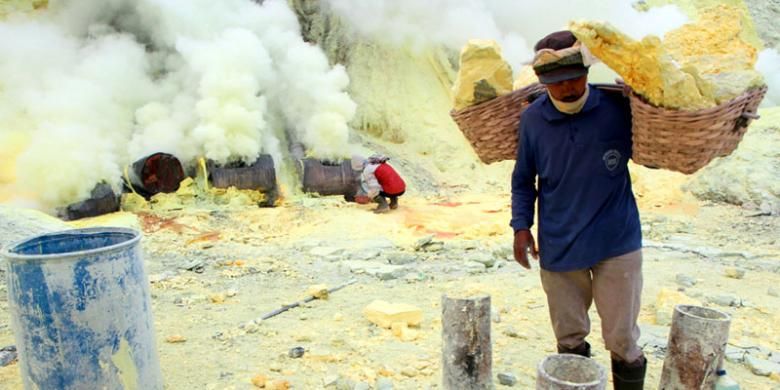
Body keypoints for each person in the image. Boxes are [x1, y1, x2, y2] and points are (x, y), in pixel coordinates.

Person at [510, 31, 646, 389]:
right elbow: (524, 179)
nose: (568, 88)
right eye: (557, 83)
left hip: (616, 239)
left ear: (587, 72)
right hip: (559, 241)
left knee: (622, 339)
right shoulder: (533, 121)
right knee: (569, 339)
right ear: (542, 82)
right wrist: (521, 226)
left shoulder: (617, 108)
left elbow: (656, 151)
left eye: (575, 78)